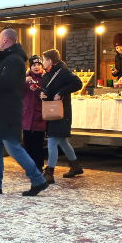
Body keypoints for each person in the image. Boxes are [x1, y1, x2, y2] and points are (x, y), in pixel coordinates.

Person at [0, 29, 49, 196]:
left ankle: (38, 179)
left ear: (5, 39)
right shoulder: (8, 59)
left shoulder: (13, 60)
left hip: (7, 111)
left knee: (13, 147)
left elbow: (6, 83)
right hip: (0, 110)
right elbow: (1, 85)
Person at [40, 49, 84, 183]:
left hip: (61, 113)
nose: (42, 62)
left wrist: (61, 92)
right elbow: (48, 90)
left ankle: (49, 173)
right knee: (62, 141)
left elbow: (78, 83)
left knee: (52, 141)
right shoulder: (47, 74)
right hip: (52, 111)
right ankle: (75, 166)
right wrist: (41, 94)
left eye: (44, 60)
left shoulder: (63, 72)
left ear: (50, 61)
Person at [22, 55, 46, 172]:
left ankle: (38, 166)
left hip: (39, 114)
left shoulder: (45, 77)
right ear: (30, 66)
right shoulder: (25, 78)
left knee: (38, 142)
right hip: (26, 114)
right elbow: (17, 92)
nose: (36, 67)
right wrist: (22, 82)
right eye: (34, 65)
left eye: (38, 65)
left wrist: (38, 90)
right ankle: (28, 166)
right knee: (27, 142)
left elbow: (48, 92)